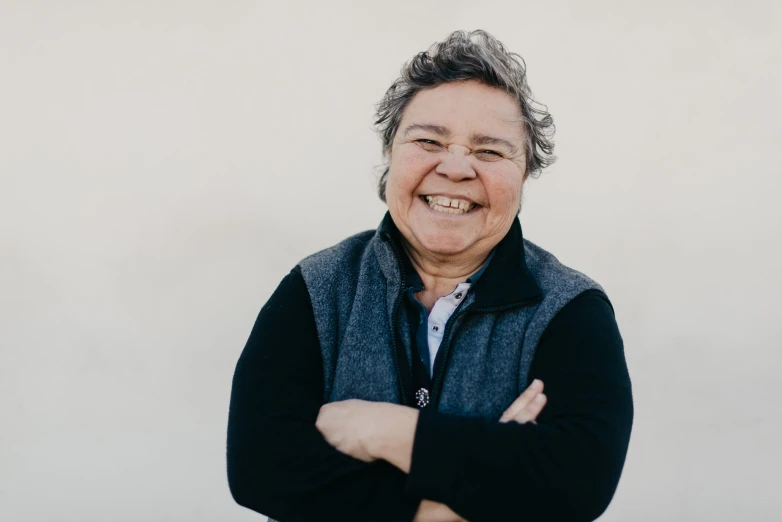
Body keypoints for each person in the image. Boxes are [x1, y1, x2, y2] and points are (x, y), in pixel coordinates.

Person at [227, 29, 633, 522]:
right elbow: (260, 467)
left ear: (524, 175)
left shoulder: (571, 309)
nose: (456, 167)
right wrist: (447, 504)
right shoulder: (317, 288)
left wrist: (386, 431)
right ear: (390, 155)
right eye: (428, 140)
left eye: (489, 151)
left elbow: (577, 479)